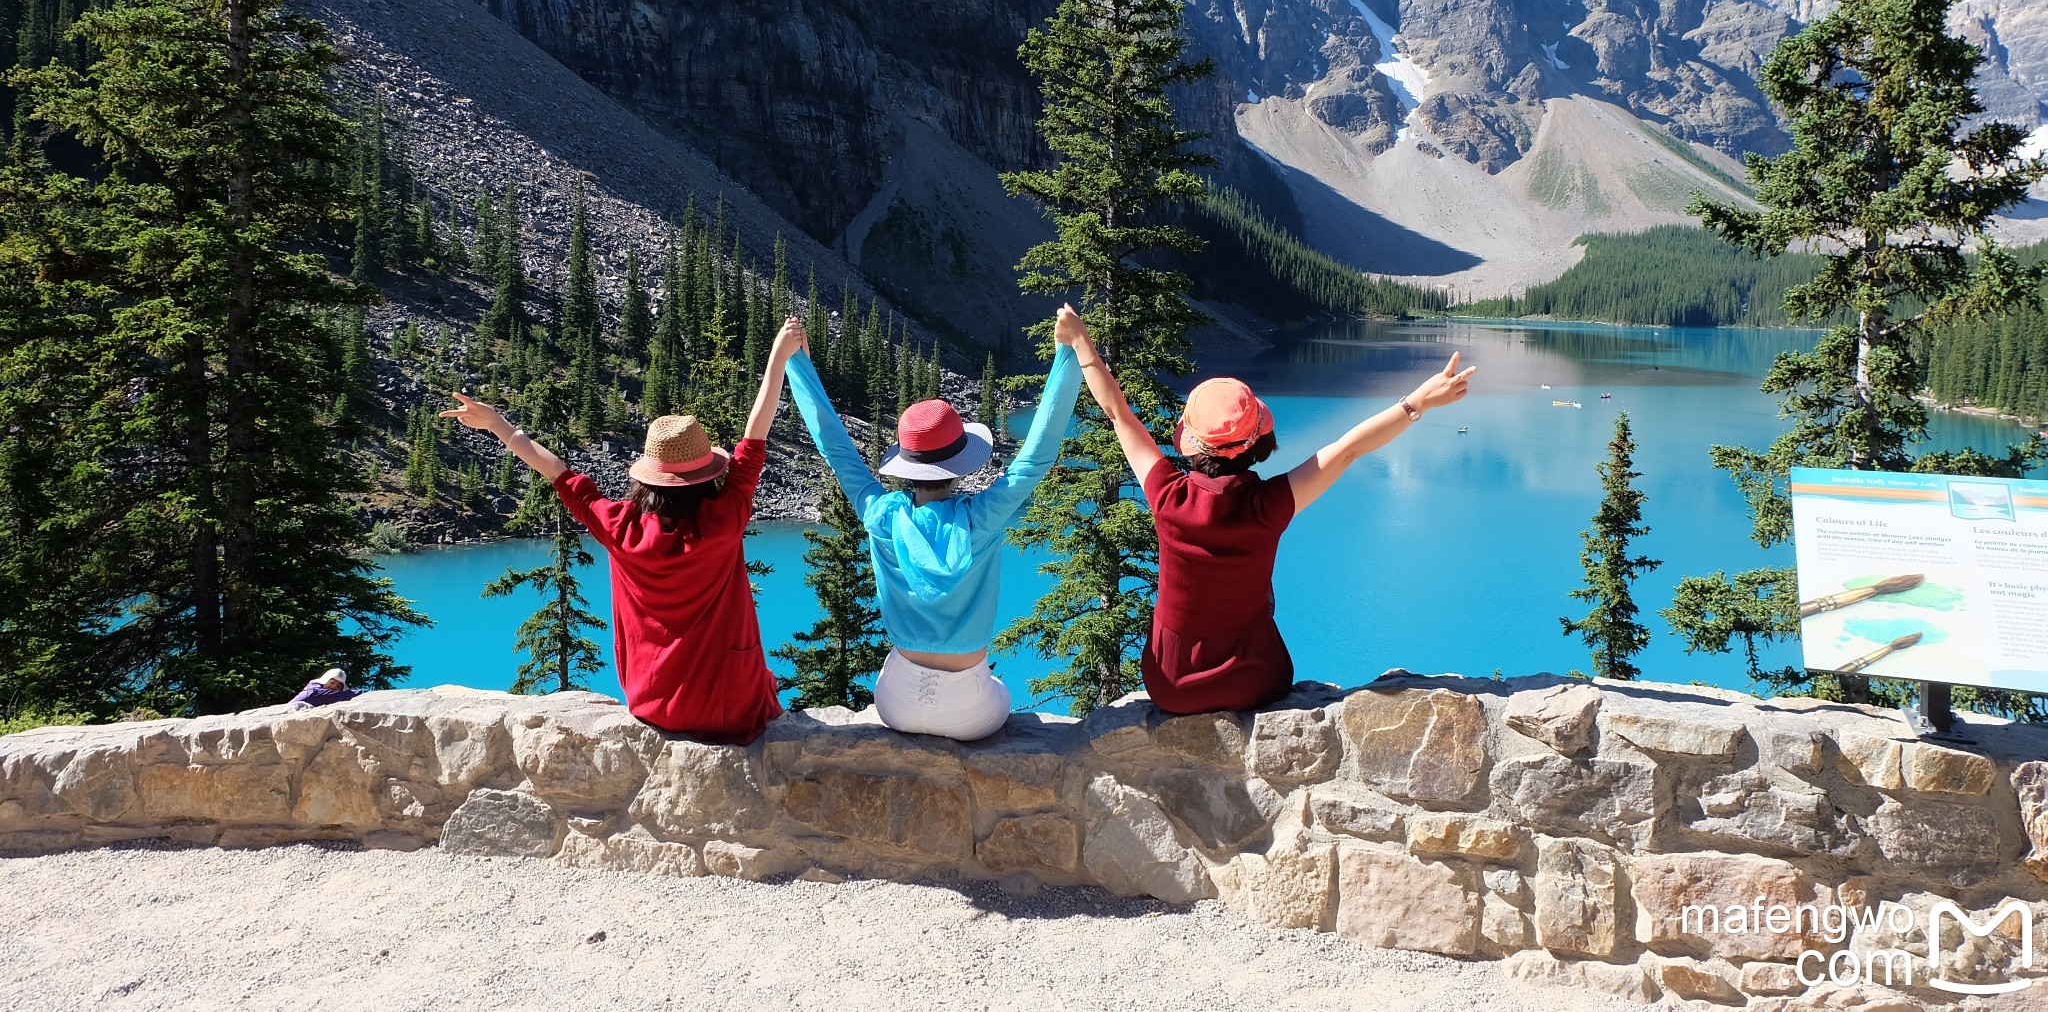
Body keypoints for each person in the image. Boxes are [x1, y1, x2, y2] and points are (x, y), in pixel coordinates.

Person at [1067, 319, 1477, 715]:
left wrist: (1082, 342)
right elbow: (1350, 447)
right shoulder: (1270, 504)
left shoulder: (1167, 495)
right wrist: (1417, 402)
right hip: (1254, 681)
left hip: (1170, 685)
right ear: (1260, 440)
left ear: (1192, 443)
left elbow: (1118, 411)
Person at [440, 318, 806, 744]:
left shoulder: (619, 526)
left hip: (653, 704)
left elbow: (557, 471)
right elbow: (754, 439)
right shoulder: (726, 517)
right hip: (730, 709)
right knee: (766, 679)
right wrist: (777, 360)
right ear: (707, 476)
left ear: (648, 478)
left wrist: (498, 425)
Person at [780, 308, 1087, 740]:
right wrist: (1067, 354)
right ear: (961, 465)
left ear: (905, 464)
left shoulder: (882, 515)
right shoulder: (983, 517)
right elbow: (1035, 457)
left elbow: (836, 447)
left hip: (896, 705)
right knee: (998, 691)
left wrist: (798, 363)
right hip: (970, 713)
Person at [286, 668, 361, 709]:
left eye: (338, 686)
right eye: (332, 682)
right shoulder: (313, 692)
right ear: (324, 680)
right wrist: (367, 693)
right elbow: (345, 695)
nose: (333, 687)